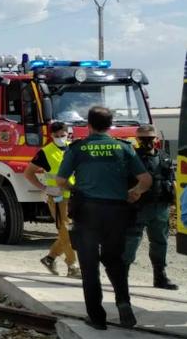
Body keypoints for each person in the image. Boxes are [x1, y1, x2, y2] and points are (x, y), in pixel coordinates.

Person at [57, 106, 152, 330]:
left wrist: (75, 188)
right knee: (114, 261)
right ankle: (123, 302)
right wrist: (134, 192)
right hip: (116, 213)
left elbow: (61, 180)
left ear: (88, 125)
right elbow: (146, 179)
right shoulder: (123, 148)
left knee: (89, 267)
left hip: (87, 212)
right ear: (110, 126)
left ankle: (97, 318)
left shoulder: (78, 149)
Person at [123, 124, 178, 290]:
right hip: (137, 208)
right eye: (143, 139)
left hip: (160, 207)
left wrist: (174, 201)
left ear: (156, 139)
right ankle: (121, 277)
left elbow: (172, 181)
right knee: (131, 242)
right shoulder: (131, 158)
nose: (147, 142)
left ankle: (160, 276)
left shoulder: (164, 157)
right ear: (137, 140)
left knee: (160, 243)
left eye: (150, 138)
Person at [23, 121, 80, 278]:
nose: (61, 138)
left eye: (63, 135)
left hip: (75, 196)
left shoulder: (74, 148)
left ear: (68, 133)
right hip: (57, 197)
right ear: (51, 136)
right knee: (66, 231)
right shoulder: (45, 152)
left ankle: (50, 259)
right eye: (57, 136)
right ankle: (72, 266)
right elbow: (28, 173)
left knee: (70, 232)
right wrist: (44, 188)